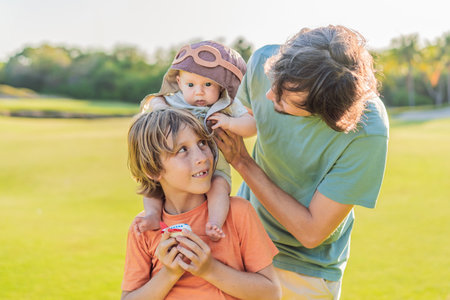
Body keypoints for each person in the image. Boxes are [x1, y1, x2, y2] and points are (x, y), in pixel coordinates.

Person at [214, 25, 389, 299]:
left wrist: (242, 162)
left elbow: (311, 232)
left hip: (305, 271)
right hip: (240, 246)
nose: (270, 95)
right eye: (273, 82)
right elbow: (249, 118)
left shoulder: (368, 130)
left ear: (326, 110)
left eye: (287, 99)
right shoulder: (263, 62)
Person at [122, 108, 280, 300]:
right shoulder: (143, 228)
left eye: (203, 143)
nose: (202, 157)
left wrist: (210, 269)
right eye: (182, 150)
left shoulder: (238, 213)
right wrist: (169, 273)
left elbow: (271, 293)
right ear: (153, 169)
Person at [136, 41, 256, 241]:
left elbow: (251, 126)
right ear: (180, 83)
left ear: (220, 85)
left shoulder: (226, 105)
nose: (199, 92)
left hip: (215, 165)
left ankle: (215, 223)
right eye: (190, 85)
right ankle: (152, 214)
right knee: (154, 183)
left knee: (219, 186)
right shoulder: (175, 100)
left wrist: (229, 122)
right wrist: (159, 108)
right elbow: (154, 101)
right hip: (180, 165)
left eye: (208, 84)